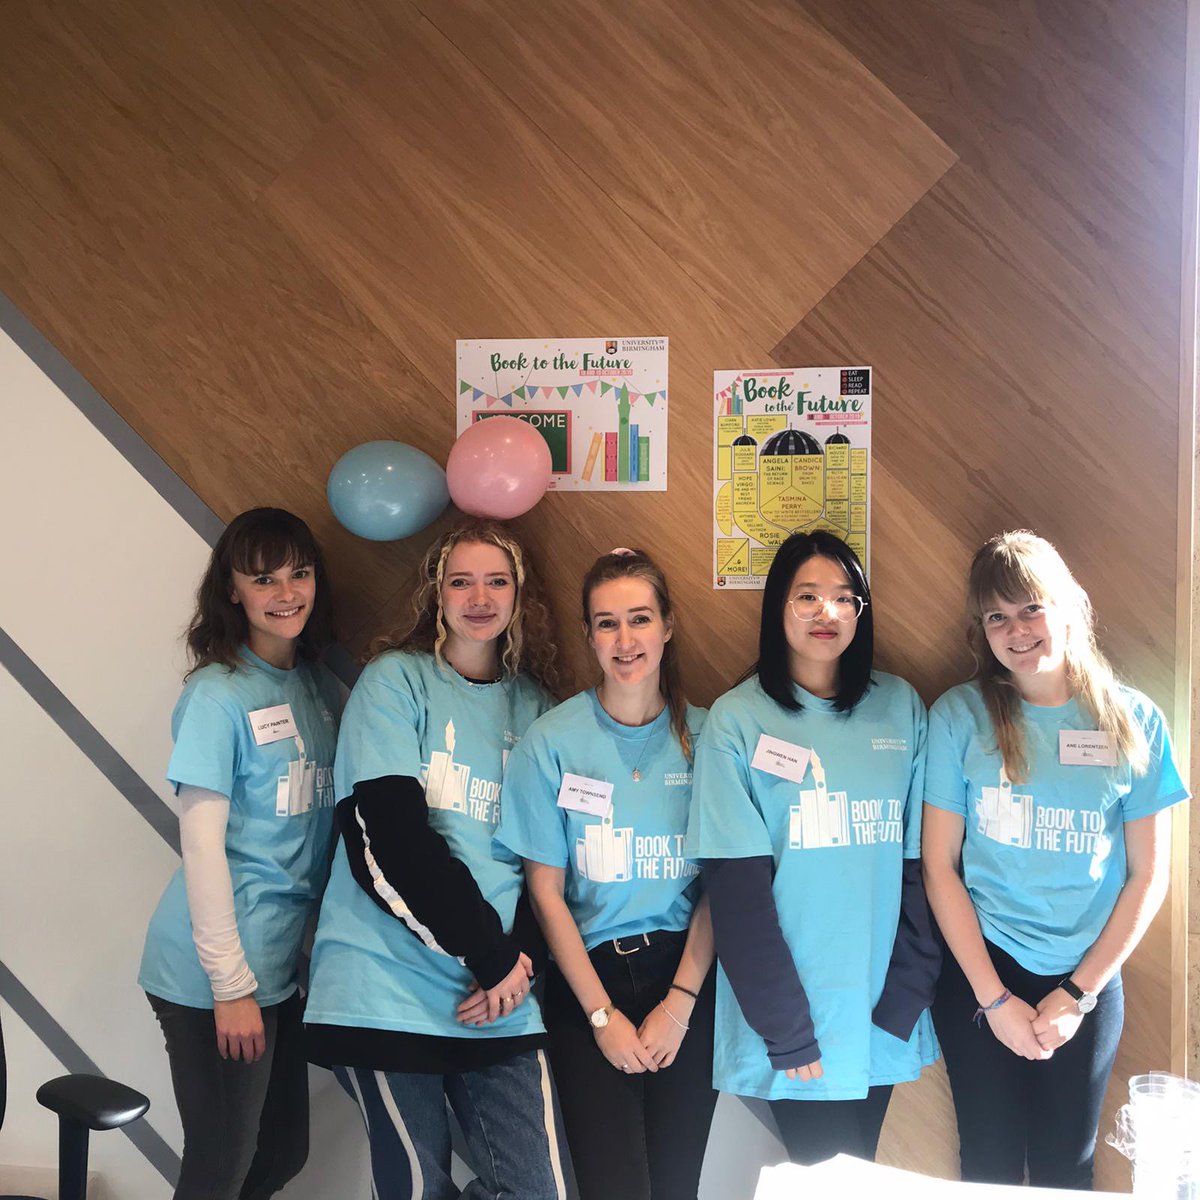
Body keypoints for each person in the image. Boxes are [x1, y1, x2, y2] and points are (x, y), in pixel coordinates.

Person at [303, 519, 568, 1200]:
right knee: (416, 1189)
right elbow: (386, 837)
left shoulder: (535, 706)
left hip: (502, 989)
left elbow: (548, 856)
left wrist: (516, 964)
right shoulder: (395, 683)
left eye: (496, 581)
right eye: (461, 581)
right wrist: (489, 957)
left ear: (519, 595)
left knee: (538, 1192)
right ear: (436, 592)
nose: (479, 596)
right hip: (384, 986)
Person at [922, 530, 1188, 1189]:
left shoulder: (1135, 720)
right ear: (981, 630)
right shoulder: (960, 716)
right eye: (997, 617)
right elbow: (938, 868)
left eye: (1030, 608)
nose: (1016, 630)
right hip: (980, 976)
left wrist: (1076, 994)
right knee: (985, 1166)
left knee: (1067, 1172)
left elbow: (1149, 875)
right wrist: (994, 1000)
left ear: (1070, 606)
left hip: (1087, 982)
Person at [686, 530, 940, 1166]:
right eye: (807, 597)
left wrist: (904, 1000)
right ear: (778, 608)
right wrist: (788, 1030)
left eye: (844, 597)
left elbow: (925, 870)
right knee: (826, 1177)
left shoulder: (900, 707)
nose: (827, 612)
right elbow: (737, 894)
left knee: (855, 1175)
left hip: (881, 1010)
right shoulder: (737, 720)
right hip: (792, 1021)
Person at [497, 548, 717, 1200]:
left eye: (640, 619)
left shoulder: (706, 740)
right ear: (589, 634)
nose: (626, 640)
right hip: (584, 981)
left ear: (668, 626)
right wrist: (601, 1015)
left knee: (677, 1186)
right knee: (612, 1187)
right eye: (607, 623)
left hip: (685, 976)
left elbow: (719, 888)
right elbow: (546, 892)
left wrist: (678, 1005)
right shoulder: (552, 741)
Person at [139, 507, 341, 1200]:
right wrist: (230, 987)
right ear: (232, 590)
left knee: (281, 1151)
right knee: (221, 1163)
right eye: (264, 579)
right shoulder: (217, 694)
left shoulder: (311, 689)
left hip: (275, 968)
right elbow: (201, 846)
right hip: (210, 976)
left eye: (300, 573)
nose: (287, 593)